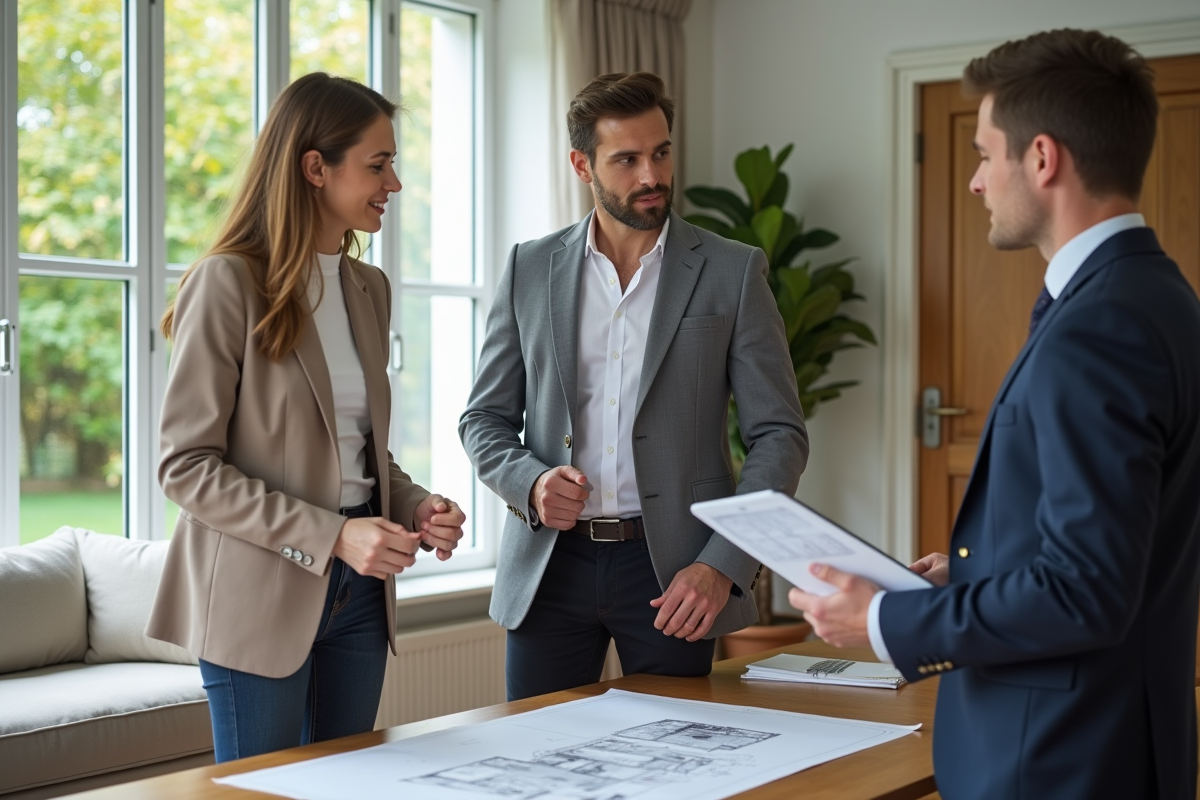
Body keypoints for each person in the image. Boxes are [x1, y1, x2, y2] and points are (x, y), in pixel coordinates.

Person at [788, 29, 1200, 800]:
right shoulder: (1158, 296)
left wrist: (883, 623)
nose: (975, 181)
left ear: (1042, 159)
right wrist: (975, 575)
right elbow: (1117, 546)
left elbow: (1087, 590)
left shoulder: (1100, 325)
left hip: (1058, 759)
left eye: (984, 154)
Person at [146, 73, 467, 762]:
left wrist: (414, 504)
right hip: (255, 598)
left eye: (394, 164)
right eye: (378, 165)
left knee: (348, 784)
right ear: (315, 168)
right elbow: (186, 468)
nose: (395, 184)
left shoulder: (367, 288)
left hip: (359, 599)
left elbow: (357, 450)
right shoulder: (227, 282)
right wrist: (333, 537)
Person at [460, 72, 809, 702]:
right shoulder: (529, 268)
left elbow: (779, 436)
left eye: (662, 152)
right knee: (537, 764)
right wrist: (530, 482)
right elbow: (482, 419)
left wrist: (721, 566)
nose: (652, 175)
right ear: (581, 164)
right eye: (627, 159)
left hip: (677, 571)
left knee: (678, 767)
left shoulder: (733, 272)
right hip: (550, 567)